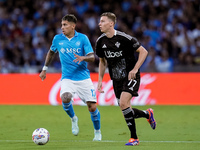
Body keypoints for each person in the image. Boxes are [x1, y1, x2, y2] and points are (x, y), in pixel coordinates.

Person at [95, 12, 156, 146]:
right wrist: (100, 80)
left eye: (103, 21)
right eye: (100, 21)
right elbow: (102, 61)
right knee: (126, 110)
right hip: (116, 79)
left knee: (123, 103)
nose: (99, 24)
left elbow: (144, 52)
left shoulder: (124, 38)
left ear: (111, 23)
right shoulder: (100, 41)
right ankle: (147, 114)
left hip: (131, 75)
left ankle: (134, 138)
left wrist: (135, 69)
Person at [39, 14, 101, 141]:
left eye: (65, 25)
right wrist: (44, 69)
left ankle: (97, 132)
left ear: (73, 26)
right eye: (62, 25)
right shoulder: (57, 39)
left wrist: (83, 58)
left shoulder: (83, 38)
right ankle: (73, 118)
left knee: (92, 107)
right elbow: (51, 52)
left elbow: (92, 56)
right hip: (67, 78)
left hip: (83, 78)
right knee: (65, 98)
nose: (62, 27)